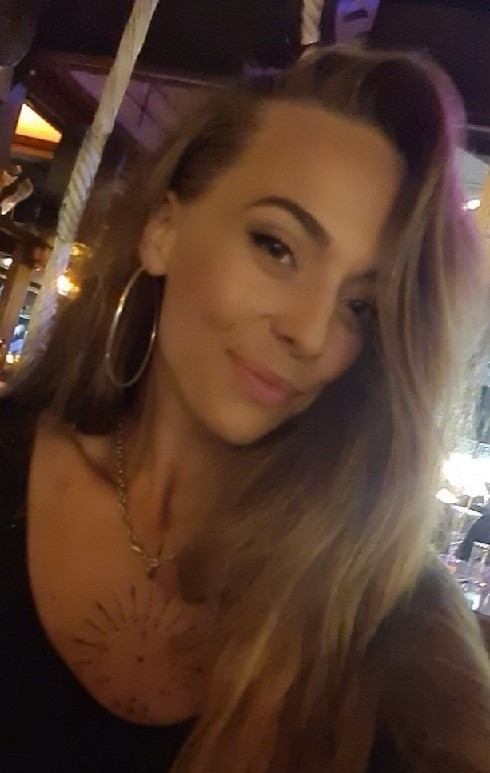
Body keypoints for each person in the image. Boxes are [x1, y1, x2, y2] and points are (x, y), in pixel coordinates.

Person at [1, 44, 489, 773]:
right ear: (163, 230)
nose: (310, 332)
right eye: (276, 247)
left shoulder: (384, 614)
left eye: (360, 305)